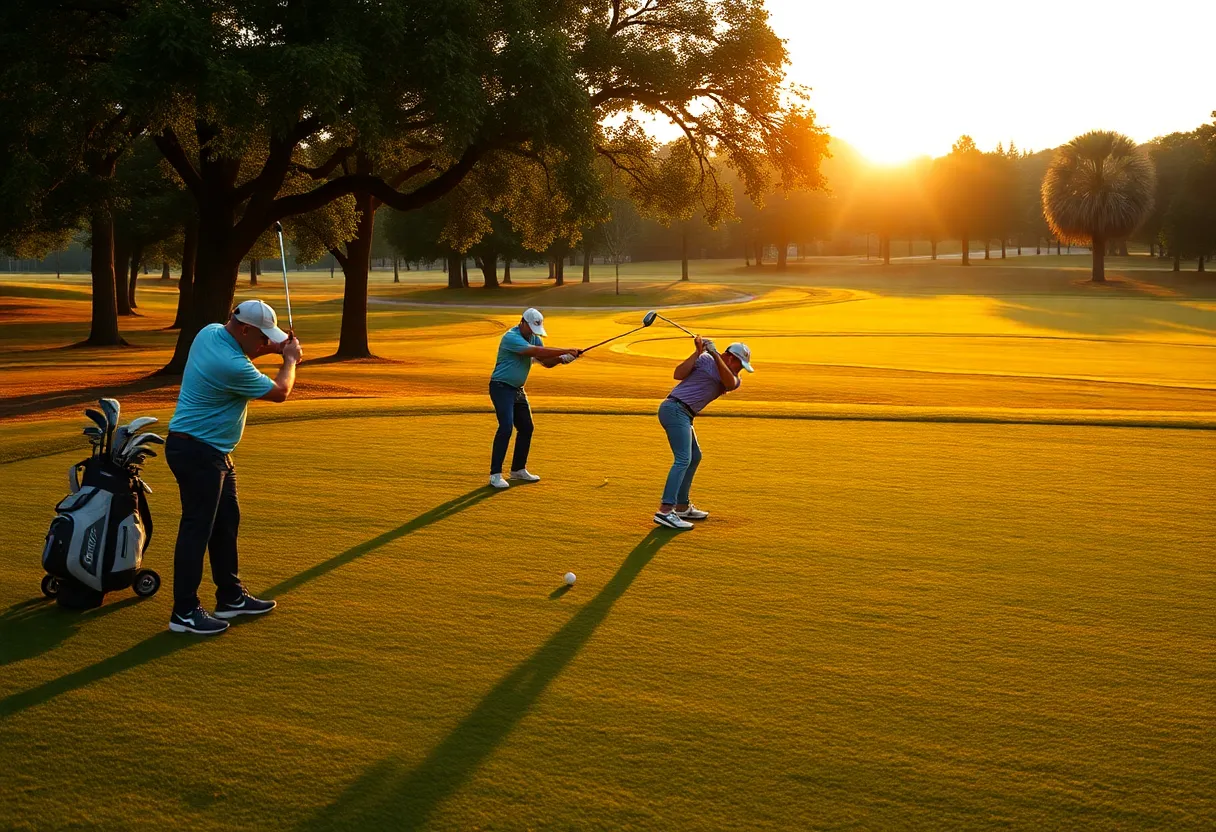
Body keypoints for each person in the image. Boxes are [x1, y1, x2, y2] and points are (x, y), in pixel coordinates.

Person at [164, 300, 303, 635]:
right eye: (261, 337)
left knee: (226, 523)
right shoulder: (231, 366)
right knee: (197, 530)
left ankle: (230, 597)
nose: (263, 343)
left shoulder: (210, 332)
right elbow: (281, 391)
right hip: (198, 453)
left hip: (212, 452)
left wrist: (274, 347)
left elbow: (245, 352)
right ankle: (183, 612)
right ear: (243, 329)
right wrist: (289, 360)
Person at [653, 337, 753, 530]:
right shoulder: (705, 359)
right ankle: (665, 510)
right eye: (739, 364)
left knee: (695, 457)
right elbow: (678, 374)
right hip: (674, 408)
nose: (740, 369)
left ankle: (681, 506)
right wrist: (698, 352)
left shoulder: (732, 378)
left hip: (685, 414)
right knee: (683, 459)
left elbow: (730, 383)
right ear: (731, 358)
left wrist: (714, 353)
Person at [488, 307, 581, 488]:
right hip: (500, 387)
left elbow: (546, 362)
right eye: (530, 328)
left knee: (526, 427)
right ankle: (495, 475)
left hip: (517, 390)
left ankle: (517, 470)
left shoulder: (533, 338)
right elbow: (533, 351)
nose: (532, 333)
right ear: (522, 322)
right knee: (506, 427)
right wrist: (565, 350)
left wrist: (563, 359)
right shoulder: (511, 337)